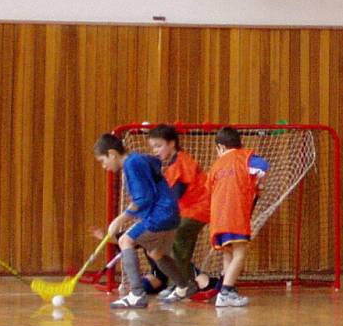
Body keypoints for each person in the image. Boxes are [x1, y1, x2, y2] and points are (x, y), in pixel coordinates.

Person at [93, 133, 181, 309]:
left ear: (112, 153)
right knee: (155, 253)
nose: (104, 166)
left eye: (103, 161)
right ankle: (185, 286)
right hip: (171, 213)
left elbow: (143, 199)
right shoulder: (139, 160)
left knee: (125, 240)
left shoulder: (131, 164)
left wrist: (119, 219)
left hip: (160, 214)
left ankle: (136, 294)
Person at [147, 124, 219, 303]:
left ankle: (182, 285)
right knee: (170, 241)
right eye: (153, 147)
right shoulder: (172, 165)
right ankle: (182, 284)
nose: (155, 151)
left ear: (172, 143)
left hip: (199, 208)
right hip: (187, 210)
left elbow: (176, 193)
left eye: (159, 146)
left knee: (177, 236)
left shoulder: (182, 161)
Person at [206, 127, 269, 308]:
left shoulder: (216, 166)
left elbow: (209, 189)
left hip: (218, 218)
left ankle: (229, 289)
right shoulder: (244, 157)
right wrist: (259, 183)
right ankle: (225, 293)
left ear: (220, 147)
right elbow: (262, 166)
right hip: (236, 216)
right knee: (240, 255)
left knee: (228, 253)